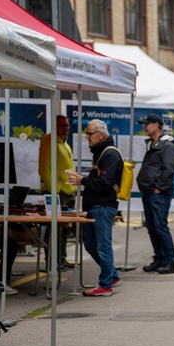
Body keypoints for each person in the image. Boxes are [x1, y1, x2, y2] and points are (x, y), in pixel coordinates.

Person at [67, 119, 123, 297]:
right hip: (95, 207)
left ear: (101, 135)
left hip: (103, 207)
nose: (87, 137)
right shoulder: (100, 153)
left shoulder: (110, 154)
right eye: (87, 133)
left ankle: (105, 285)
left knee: (103, 246)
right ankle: (112, 275)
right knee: (90, 245)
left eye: (90, 133)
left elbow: (105, 183)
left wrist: (82, 180)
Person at [137, 114, 174, 275]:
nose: (144, 127)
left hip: (158, 193)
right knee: (152, 227)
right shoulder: (153, 144)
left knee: (160, 227)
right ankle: (160, 259)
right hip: (149, 191)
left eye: (146, 124)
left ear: (156, 125)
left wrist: (159, 188)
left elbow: (169, 170)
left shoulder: (166, 145)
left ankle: (170, 261)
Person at [38, 115, 76, 269]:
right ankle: (52, 261)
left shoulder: (64, 143)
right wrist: (54, 189)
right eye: (61, 125)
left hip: (67, 191)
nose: (65, 128)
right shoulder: (49, 142)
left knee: (64, 228)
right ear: (54, 127)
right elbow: (44, 168)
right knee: (54, 229)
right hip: (57, 192)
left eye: (66, 125)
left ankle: (61, 258)